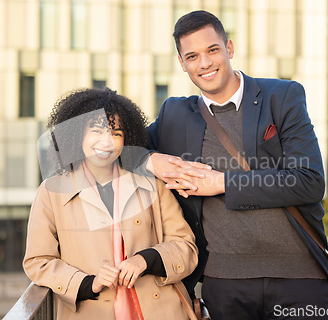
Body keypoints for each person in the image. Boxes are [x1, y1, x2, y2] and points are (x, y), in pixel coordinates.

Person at [145, 10, 328, 320]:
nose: (204, 63)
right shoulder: (174, 114)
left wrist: (221, 183)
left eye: (212, 50)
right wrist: (150, 160)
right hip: (223, 282)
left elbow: (310, 181)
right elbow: (106, 149)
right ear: (182, 63)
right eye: (192, 56)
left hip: (299, 277)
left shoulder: (282, 96)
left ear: (228, 49)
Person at [23, 88, 198, 320]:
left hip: (160, 310)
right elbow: (38, 261)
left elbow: (186, 247)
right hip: (90, 311)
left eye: (116, 133)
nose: (107, 142)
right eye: (96, 131)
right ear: (77, 135)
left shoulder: (152, 185)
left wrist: (145, 259)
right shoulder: (51, 192)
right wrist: (87, 283)